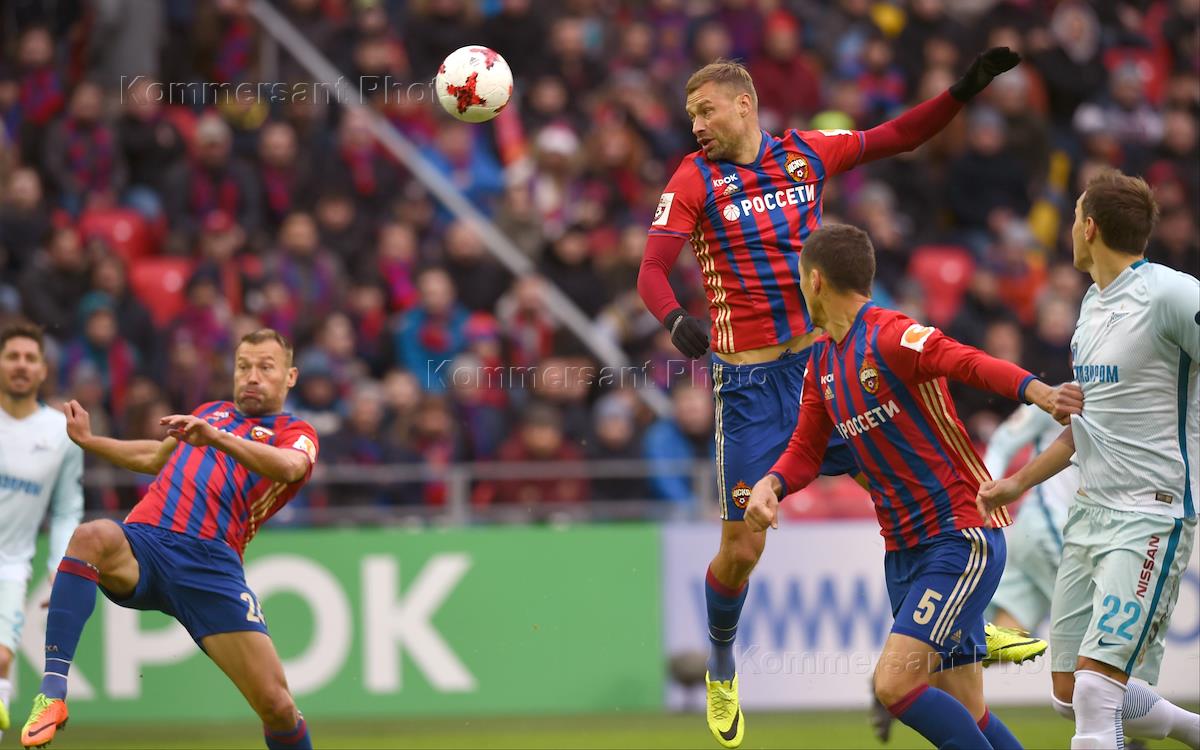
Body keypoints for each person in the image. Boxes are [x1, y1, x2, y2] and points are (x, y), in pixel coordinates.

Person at [636, 48, 1036, 747]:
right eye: (690, 114)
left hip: (821, 365)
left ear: (744, 104)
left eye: (705, 110)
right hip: (751, 386)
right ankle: (722, 665)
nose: (695, 125)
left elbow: (900, 136)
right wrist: (673, 318)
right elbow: (650, 269)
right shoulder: (693, 179)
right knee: (742, 548)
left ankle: (964, 621)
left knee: (907, 477)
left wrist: (962, 91)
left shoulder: (805, 155)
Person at [743, 223, 1074, 749]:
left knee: (893, 684)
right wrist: (772, 484)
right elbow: (806, 448)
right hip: (903, 550)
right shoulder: (823, 360)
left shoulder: (891, 334)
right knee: (967, 708)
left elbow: (965, 359)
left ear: (816, 280)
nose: (799, 289)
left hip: (958, 536)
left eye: (800, 280)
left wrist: (1037, 391)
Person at [978, 170, 1200, 750]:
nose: (1070, 228)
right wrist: (1016, 483)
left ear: (1090, 227)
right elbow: (1085, 428)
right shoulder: (1092, 306)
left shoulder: (1171, 294)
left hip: (1149, 513)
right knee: (1069, 693)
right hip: (1088, 513)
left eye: (1075, 216)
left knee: (1097, 694)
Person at [20, 329, 319, 750]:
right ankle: (52, 693)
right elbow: (156, 457)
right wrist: (89, 442)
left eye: (265, 367)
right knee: (92, 535)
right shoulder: (210, 413)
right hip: (147, 543)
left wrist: (217, 438)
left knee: (278, 707)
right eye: (243, 366)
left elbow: (290, 467)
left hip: (211, 567)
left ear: (290, 377)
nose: (252, 376)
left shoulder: (295, 432)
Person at [0, 323, 83, 744]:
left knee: (0, 658)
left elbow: (67, 508)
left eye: (30, 358)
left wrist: (60, 566)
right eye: (12, 356)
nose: (21, 365)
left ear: (43, 370)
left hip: (10, 564)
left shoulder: (60, 433)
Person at [982, 403, 1079, 635]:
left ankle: (923, 661)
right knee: (1096, 624)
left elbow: (1001, 442)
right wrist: (984, 498)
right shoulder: (1059, 396)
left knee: (1009, 632)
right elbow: (1002, 443)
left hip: (1037, 530)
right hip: (1051, 526)